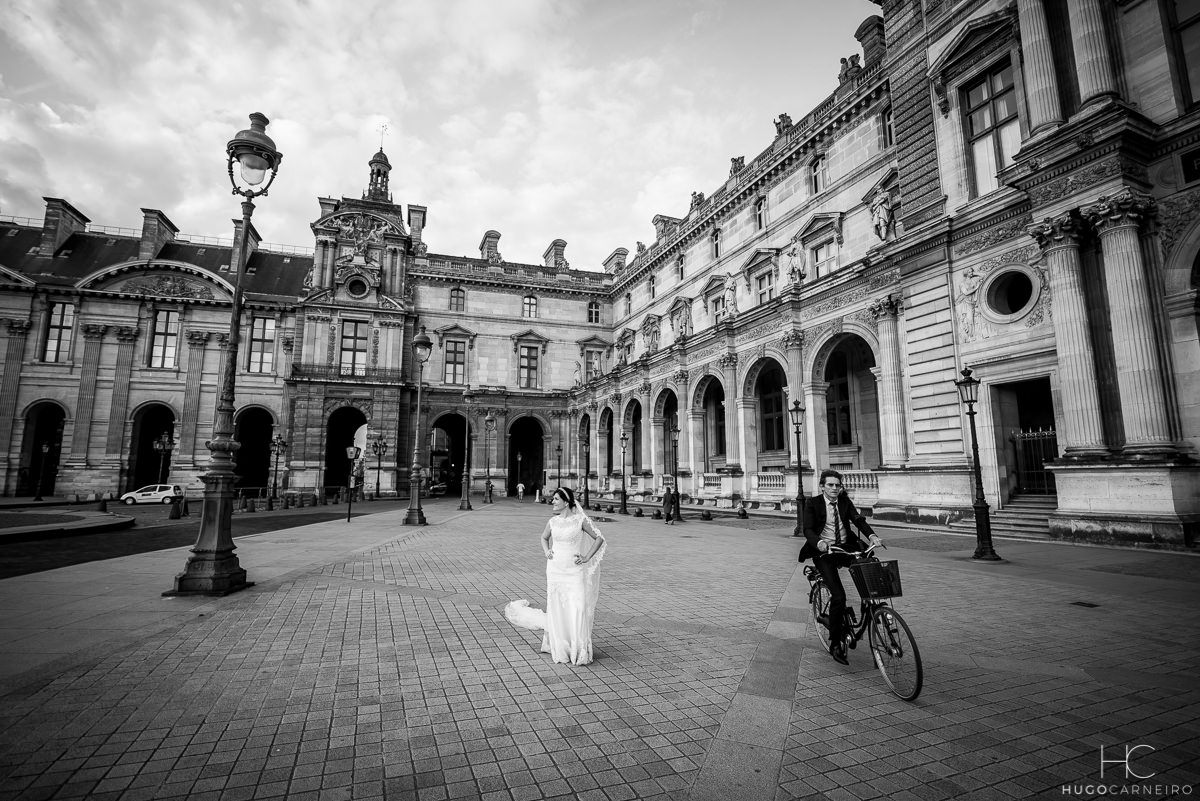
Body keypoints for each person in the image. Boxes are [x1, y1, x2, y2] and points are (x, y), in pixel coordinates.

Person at [504, 487, 607, 665]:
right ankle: (559, 644)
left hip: (574, 570)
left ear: (566, 502)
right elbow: (543, 538)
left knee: (578, 606)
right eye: (553, 499)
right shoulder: (552, 522)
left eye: (556, 499)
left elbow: (599, 538)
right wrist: (547, 551)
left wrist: (587, 557)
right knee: (557, 607)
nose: (553, 501)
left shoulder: (580, 520)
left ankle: (578, 648)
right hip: (555, 569)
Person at [798, 469, 883, 666]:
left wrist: (872, 536)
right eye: (830, 485)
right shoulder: (813, 503)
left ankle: (871, 607)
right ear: (822, 486)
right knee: (839, 596)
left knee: (868, 569)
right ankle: (835, 643)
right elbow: (808, 529)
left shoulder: (844, 502)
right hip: (824, 551)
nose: (835, 488)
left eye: (837, 485)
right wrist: (818, 542)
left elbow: (857, 520)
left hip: (845, 548)